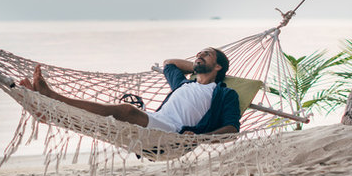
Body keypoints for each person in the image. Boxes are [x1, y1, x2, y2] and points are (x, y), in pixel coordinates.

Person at [19, 48, 240, 135]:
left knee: (126, 111)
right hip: (156, 119)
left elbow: (231, 129)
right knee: (112, 122)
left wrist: (199, 137)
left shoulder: (224, 94)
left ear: (218, 66)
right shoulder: (183, 84)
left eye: (207, 54)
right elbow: (169, 64)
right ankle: (48, 115)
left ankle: (53, 97)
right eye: (198, 53)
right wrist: (196, 67)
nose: (199, 55)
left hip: (176, 131)